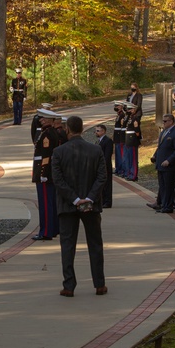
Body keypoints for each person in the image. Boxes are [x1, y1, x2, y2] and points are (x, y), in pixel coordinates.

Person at [51, 115, 108, 297]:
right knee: (95, 244)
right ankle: (99, 284)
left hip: (68, 205)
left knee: (68, 245)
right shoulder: (95, 150)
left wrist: (75, 199)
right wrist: (89, 198)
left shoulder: (59, 152)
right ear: (82, 129)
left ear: (67, 129)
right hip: (91, 205)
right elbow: (102, 177)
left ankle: (69, 285)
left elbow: (57, 180)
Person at [32, 110, 62, 239]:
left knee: (45, 204)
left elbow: (46, 156)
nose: (41, 120)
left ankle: (46, 232)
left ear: (49, 120)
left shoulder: (47, 135)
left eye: (43, 118)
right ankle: (53, 228)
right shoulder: (50, 132)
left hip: (44, 173)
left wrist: (43, 173)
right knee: (50, 202)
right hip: (48, 173)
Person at [150, 113, 175, 214]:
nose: (163, 123)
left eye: (165, 121)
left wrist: (169, 160)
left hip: (169, 166)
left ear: (171, 121)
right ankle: (163, 204)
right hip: (161, 163)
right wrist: (155, 155)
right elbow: (160, 147)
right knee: (163, 186)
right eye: (163, 121)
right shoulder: (164, 132)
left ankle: (168, 206)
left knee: (168, 186)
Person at [94, 124, 114, 208]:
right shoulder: (98, 141)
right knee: (101, 184)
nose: (96, 132)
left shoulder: (108, 141)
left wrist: (102, 165)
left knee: (107, 185)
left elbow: (107, 155)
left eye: (98, 131)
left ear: (103, 131)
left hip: (105, 166)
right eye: (95, 131)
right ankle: (102, 200)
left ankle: (107, 201)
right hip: (99, 166)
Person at [123, 104, 142, 181]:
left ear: (134, 109)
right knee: (129, 158)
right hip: (128, 140)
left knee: (133, 158)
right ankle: (129, 173)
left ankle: (133, 175)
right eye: (129, 109)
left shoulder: (136, 119)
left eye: (131, 109)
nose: (129, 111)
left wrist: (136, 138)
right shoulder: (130, 118)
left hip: (133, 140)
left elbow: (137, 131)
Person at [112, 102, 127, 177]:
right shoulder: (118, 115)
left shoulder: (122, 115)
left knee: (121, 154)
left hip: (120, 136)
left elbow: (122, 127)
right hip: (116, 136)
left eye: (117, 106)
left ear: (121, 106)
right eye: (115, 106)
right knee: (117, 153)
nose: (116, 107)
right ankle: (118, 168)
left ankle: (122, 169)